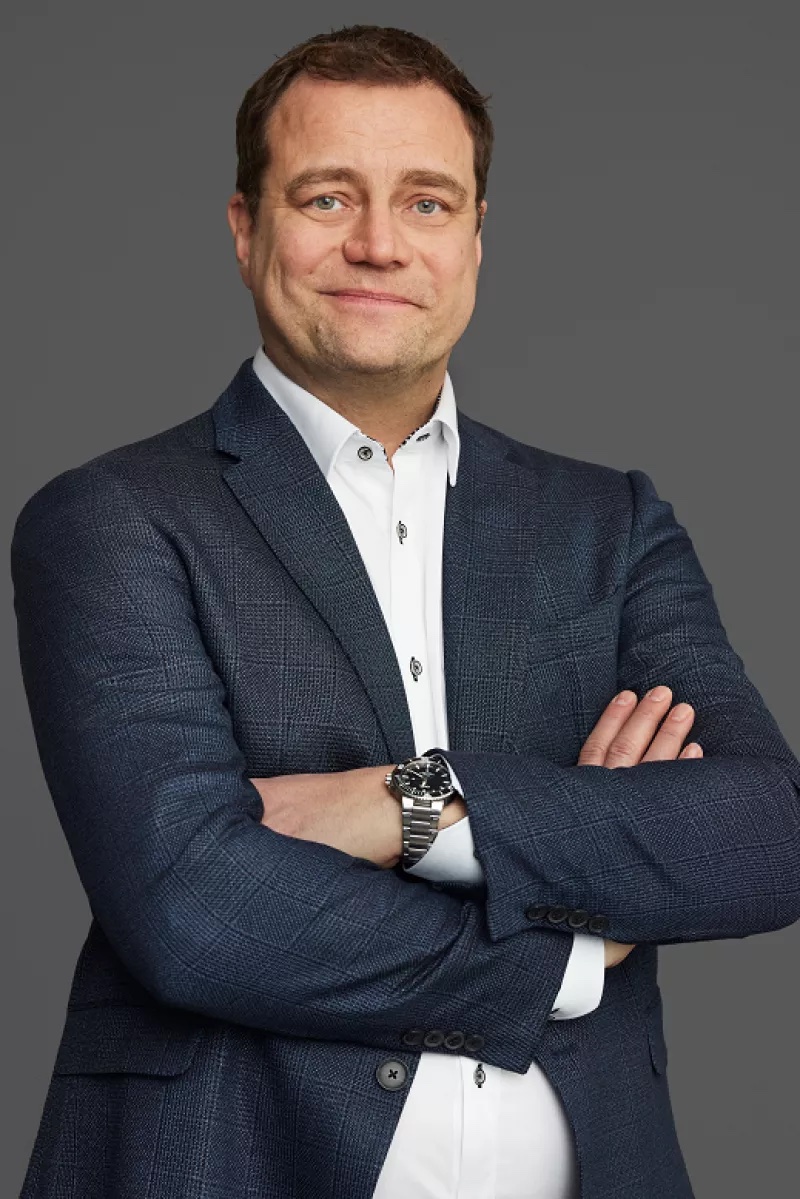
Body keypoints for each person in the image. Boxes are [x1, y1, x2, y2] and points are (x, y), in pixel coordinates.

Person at [11, 23, 800, 1199]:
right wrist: (573, 946)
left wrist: (408, 804)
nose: (378, 242)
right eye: (327, 197)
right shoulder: (115, 519)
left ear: (474, 235)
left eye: (425, 202)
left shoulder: (609, 523)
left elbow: (764, 833)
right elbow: (190, 907)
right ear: (245, 228)